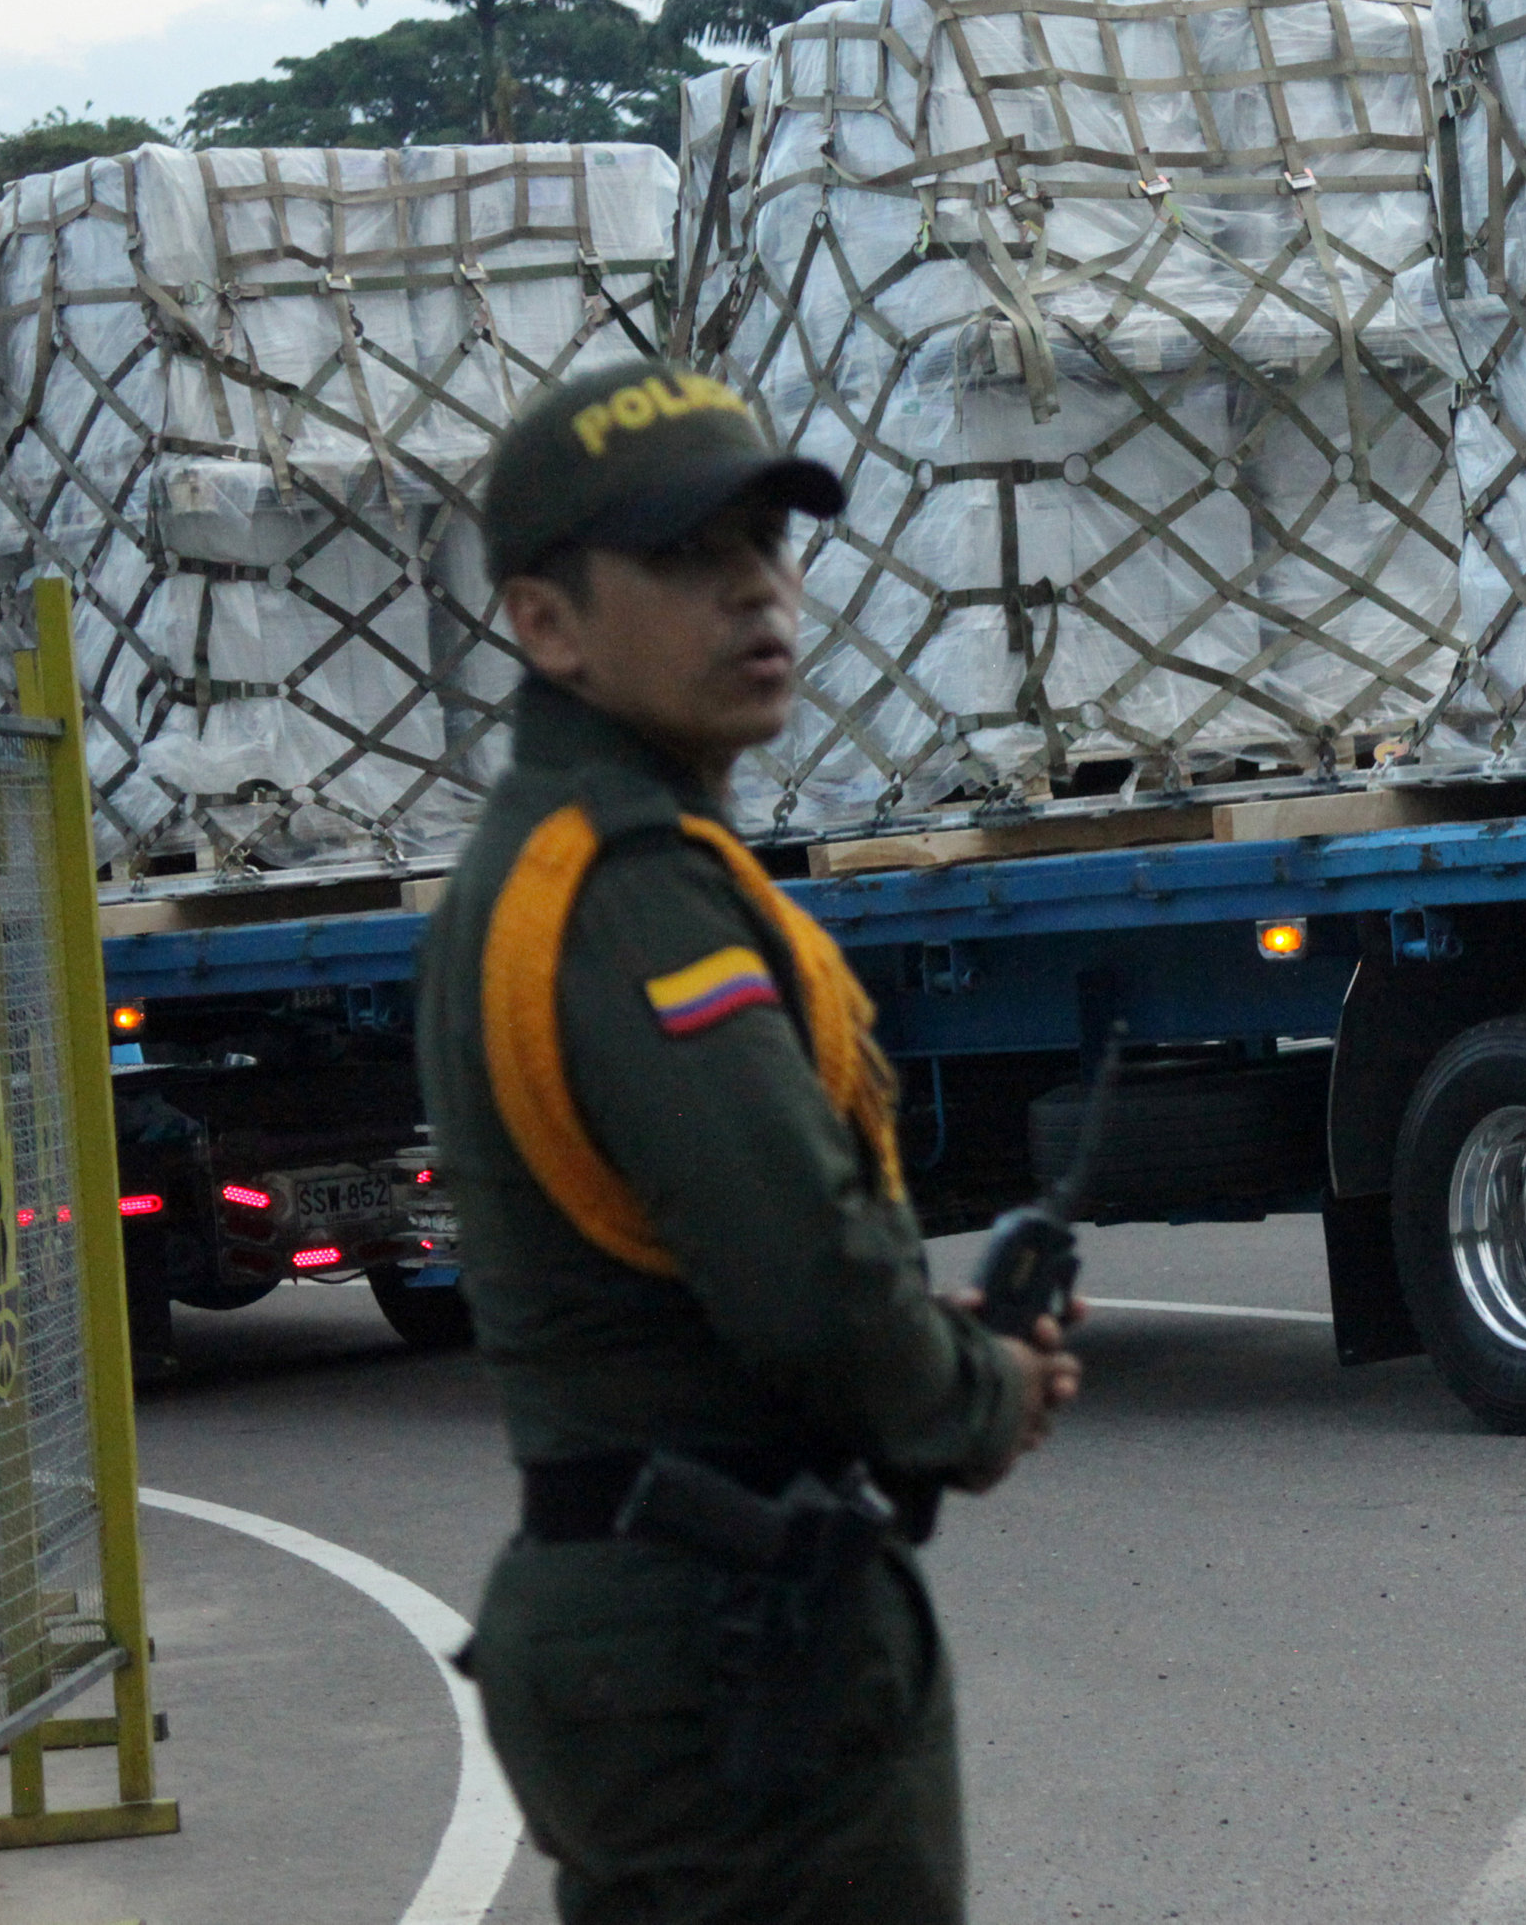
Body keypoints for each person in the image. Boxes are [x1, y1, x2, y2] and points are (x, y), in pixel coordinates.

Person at [417, 358, 1083, 1923]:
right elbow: (804, 1279)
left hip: (670, 1624)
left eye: (767, 549)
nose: (754, 595)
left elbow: (717, 1250)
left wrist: (932, 1331)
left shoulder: (562, 862)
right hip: (727, 1645)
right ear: (547, 622)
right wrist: (972, 1390)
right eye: (686, 560)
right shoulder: (634, 889)